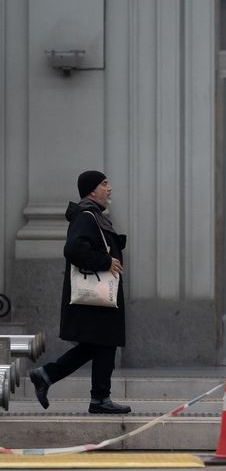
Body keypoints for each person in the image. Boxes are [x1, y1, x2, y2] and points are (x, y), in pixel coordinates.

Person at [29, 170, 131, 414]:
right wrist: (105, 261)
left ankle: (49, 376)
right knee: (104, 343)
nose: (110, 188)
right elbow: (73, 249)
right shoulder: (87, 216)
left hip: (99, 296)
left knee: (98, 345)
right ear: (92, 190)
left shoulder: (94, 216)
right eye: (105, 184)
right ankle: (98, 398)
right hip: (95, 296)